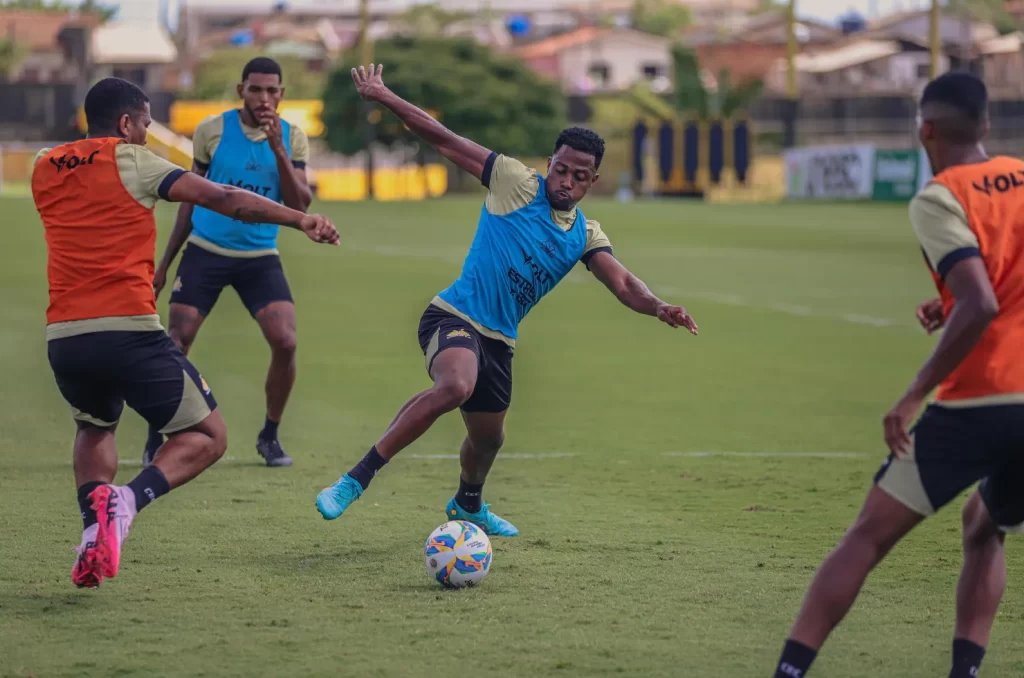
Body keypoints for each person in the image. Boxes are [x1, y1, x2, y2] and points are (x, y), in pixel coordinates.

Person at [315, 64, 698, 536]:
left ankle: (468, 504)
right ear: (551, 162)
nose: (566, 181)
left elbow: (622, 283)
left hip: (500, 341)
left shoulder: (584, 234)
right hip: (453, 316)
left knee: (489, 439)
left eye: (579, 176)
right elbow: (443, 137)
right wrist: (384, 96)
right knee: (455, 385)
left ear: (592, 181)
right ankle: (356, 478)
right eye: (561, 169)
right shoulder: (516, 183)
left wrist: (658, 306)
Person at [33, 77, 338, 589]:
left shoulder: (43, 164)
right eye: (146, 125)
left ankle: (94, 536)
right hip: (128, 332)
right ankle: (127, 502)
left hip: (65, 338)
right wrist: (297, 219)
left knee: (94, 427)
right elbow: (220, 197)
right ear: (127, 123)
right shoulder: (132, 160)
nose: (148, 135)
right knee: (208, 436)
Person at [773, 72, 1024, 678]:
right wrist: (954, 303)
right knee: (983, 524)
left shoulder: (939, 196)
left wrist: (913, 394)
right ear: (987, 126)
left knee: (866, 538)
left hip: (983, 398)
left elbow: (983, 301)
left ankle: (789, 671)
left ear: (925, 129)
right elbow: (995, 284)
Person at [148, 57, 313, 468]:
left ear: (282, 94)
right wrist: (165, 263)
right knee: (176, 342)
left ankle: (270, 435)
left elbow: (300, 206)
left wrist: (277, 148)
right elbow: (191, 199)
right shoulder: (211, 130)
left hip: (259, 256)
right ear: (241, 90)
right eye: (255, 89)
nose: (264, 98)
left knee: (286, 341)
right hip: (206, 251)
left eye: (272, 90)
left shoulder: (293, 138)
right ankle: (159, 432)